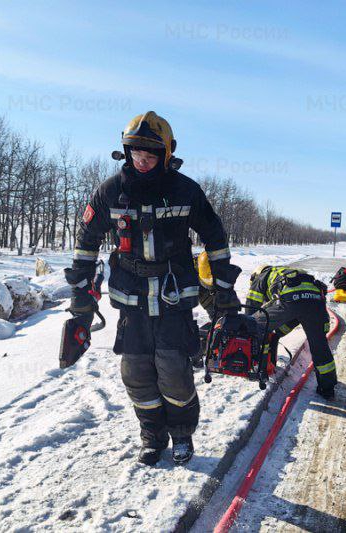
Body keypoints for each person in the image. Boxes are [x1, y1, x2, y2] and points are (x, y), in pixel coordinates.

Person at [65, 111, 241, 466]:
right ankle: (152, 436)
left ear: (165, 155)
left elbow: (215, 238)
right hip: (131, 298)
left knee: (174, 371)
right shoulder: (110, 192)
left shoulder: (186, 190)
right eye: (136, 154)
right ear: (125, 151)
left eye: (150, 155)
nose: (142, 162)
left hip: (174, 296)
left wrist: (223, 287)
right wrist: (81, 293)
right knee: (136, 373)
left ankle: (181, 435)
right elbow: (87, 240)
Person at [245, 265, 338, 399]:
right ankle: (327, 389)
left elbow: (251, 309)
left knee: (256, 325)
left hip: (291, 299)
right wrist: (277, 333)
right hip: (316, 303)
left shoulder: (261, 277)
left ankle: (261, 369)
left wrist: (249, 327)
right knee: (320, 346)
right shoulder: (287, 273)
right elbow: (296, 316)